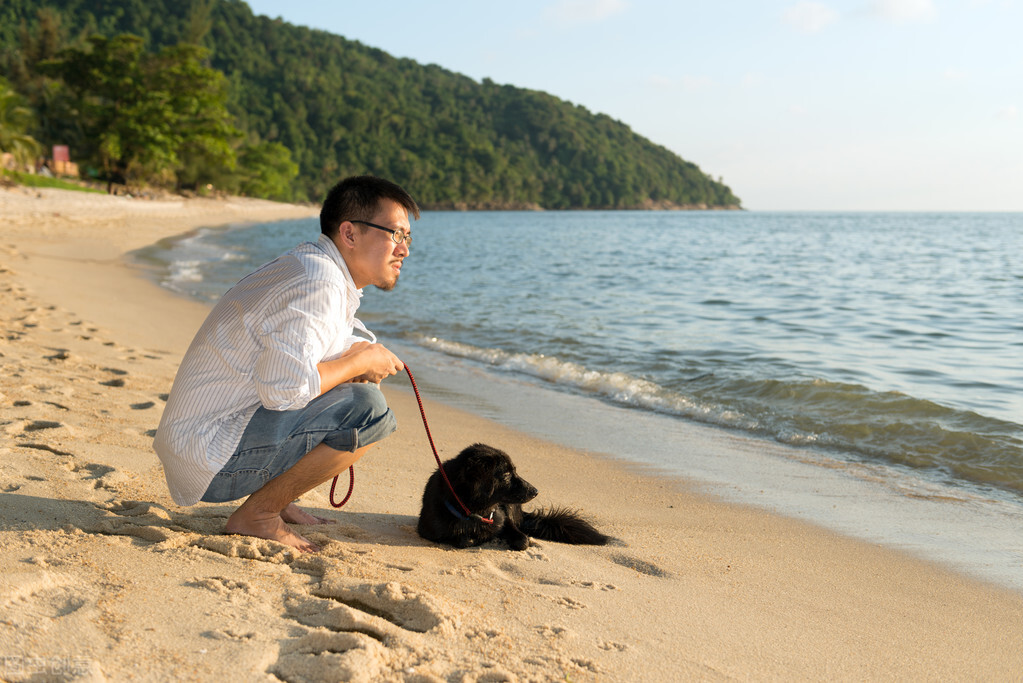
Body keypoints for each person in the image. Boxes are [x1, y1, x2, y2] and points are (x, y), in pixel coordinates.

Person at [154, 175, 419, 552]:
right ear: (350, 233)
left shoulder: (316, 269)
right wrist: (363, 359)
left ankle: (277, 497)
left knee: (349, 383)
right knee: (370, 411)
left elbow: (311, 357)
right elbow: (285, 390)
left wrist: (360, 358)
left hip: (199, 444)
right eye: (396, 234)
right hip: (209, 458)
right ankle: (260, 514)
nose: (404, 249)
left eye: (407, 237)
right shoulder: (319, 283)